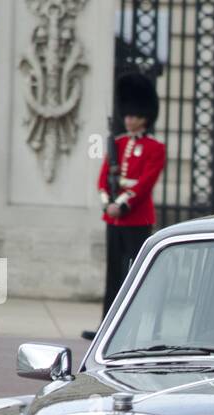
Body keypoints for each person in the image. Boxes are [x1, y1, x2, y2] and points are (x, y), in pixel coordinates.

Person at [87, 71, 166, 340]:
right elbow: (101, 179)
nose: (129, 119)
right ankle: (105, 328)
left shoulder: (155, 148)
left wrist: (121, 203)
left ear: (145, 116)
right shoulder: (118, 143)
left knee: (135, 276)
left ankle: (133, 328)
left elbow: (145, 183)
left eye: (134, 115)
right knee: (113, 276)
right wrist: (107, 203)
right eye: (128, 114)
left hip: (136, 219)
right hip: (114, 219)